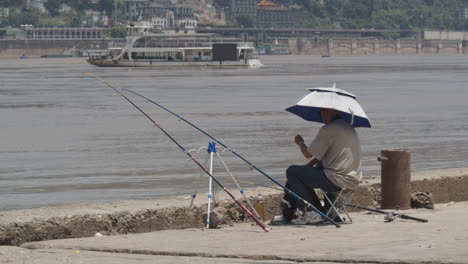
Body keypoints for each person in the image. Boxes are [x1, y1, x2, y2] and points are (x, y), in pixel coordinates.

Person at [273, 108, 362, 225]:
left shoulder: (328, 129)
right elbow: (321, 156)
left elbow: (308, 154)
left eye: (321, 112)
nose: (321, 115)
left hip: (336, 179)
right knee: (299, 173)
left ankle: (310, 212)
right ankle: (317, 212)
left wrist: (300, 142)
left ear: (328, 111)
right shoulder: (349, 127)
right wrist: (305, 169)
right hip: (352, 179)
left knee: (291, 171)